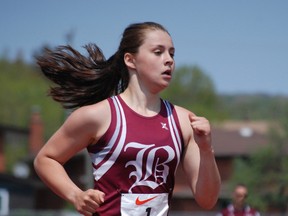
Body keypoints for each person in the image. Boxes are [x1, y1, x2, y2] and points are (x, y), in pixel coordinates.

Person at [34, 21, 221, 216]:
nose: (169, 60)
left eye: (171, 54)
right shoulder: (98, 116)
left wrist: (207, 150)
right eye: (158, 52)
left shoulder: (184, 122)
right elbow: (46, 159)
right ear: (130, 60)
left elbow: (207, 200)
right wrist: (75, 195)